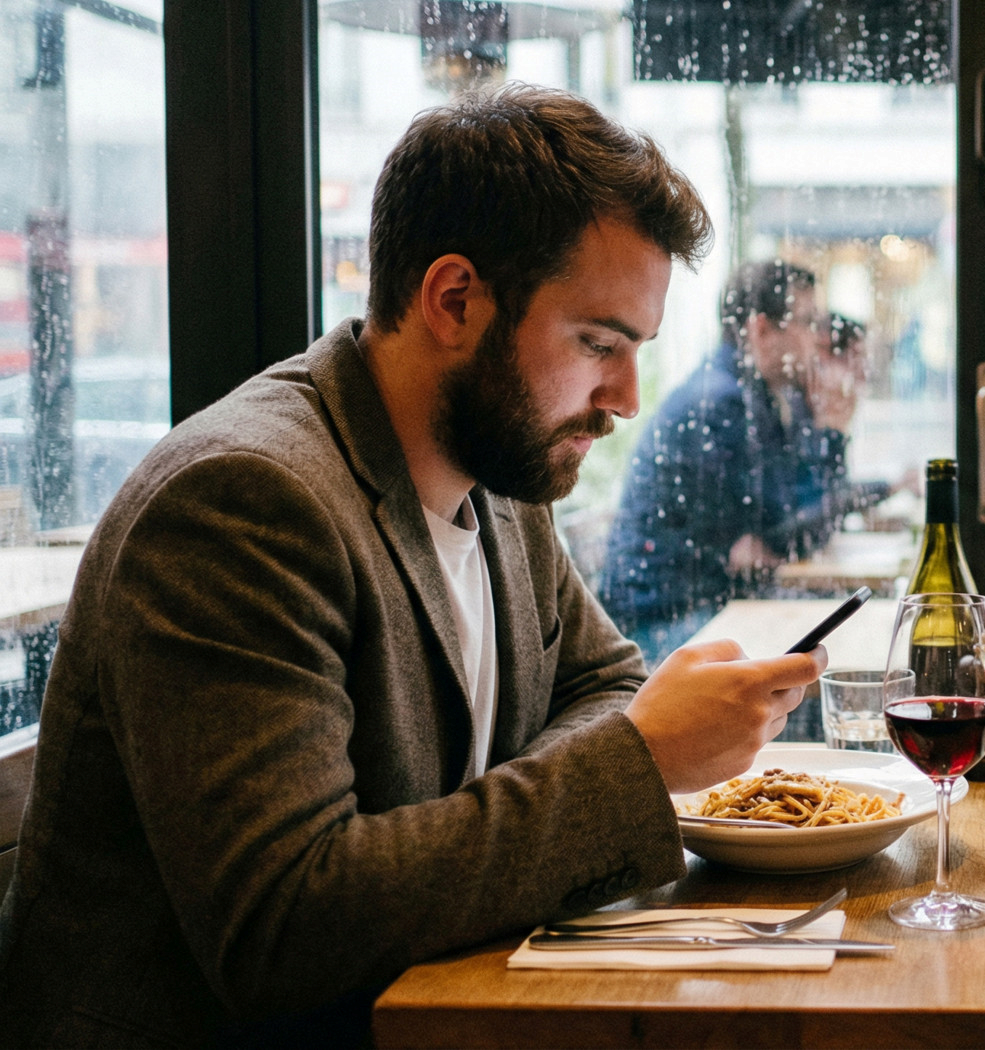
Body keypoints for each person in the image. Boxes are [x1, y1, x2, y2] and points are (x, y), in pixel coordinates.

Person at [0, 86, 826, 1047]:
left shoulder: (501, 465)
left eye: (635, 350)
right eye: (599, 343)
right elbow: (284, 928)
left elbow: (602, 683)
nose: (626, 398)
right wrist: (637, 764)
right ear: (455, 300)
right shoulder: (242, 503)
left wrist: (583, 775)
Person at [598, 262, 887, 662]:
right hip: (657, 627)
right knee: (829, 664)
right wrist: (833, 433)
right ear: (761, 330)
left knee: (846, 638)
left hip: (707, 601)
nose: (817, 339)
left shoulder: (754, 396)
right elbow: (795, 526)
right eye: (806, 323)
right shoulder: (724, 404)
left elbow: (798, 521)